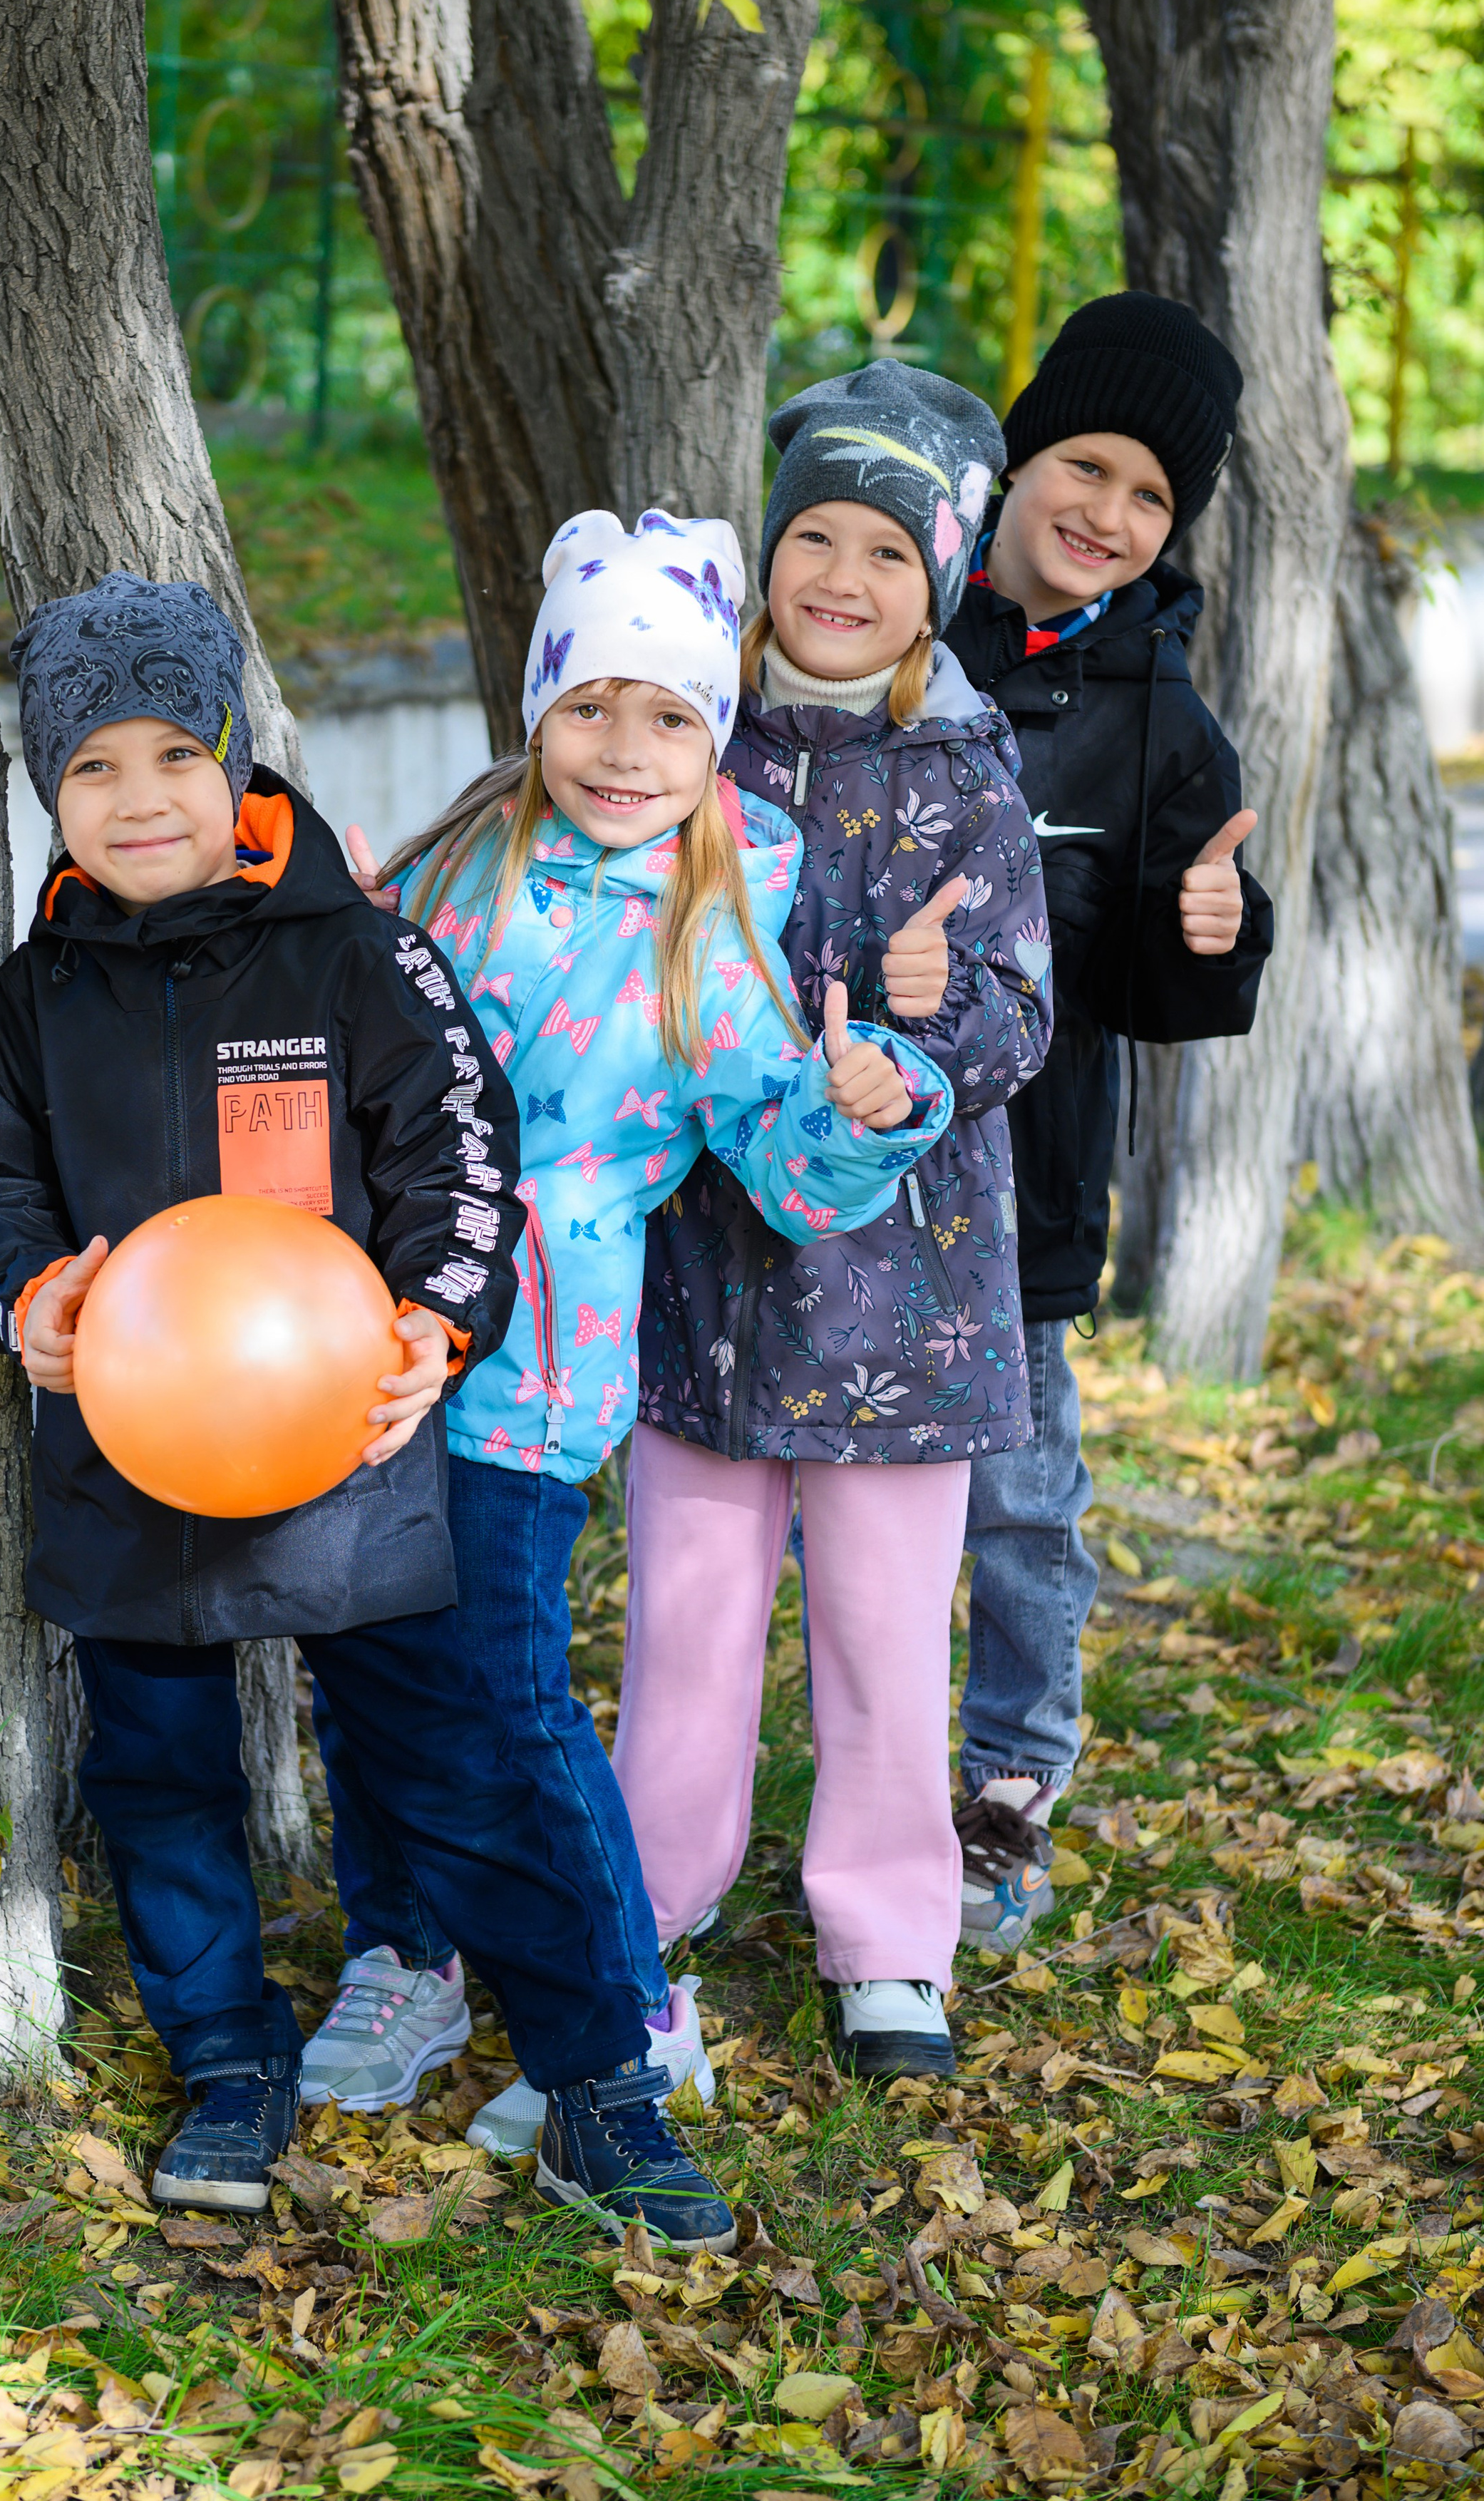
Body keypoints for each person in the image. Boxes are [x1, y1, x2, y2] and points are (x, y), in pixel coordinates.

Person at [0, 568, 745, 2251]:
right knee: (160, 1779)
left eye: (175, 753)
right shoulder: (38, 995)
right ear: (49, 792)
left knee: (460, 1769)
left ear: (236, 762)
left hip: (354, 1456)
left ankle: (601, 2080)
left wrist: (438, 1331)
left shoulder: (361, 951)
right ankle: (228, 2063)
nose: (140, 796)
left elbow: (465, 1170)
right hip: (124, 1457)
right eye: (93, 767)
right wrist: (26, 1294)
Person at [316, 509, 955, 2151]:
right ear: (536, 706)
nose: (624, 746)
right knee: (369, 1672)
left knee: (509, 1691)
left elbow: (789, 1176)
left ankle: (627, 2010)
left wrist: (865, 1106)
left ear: (713, 727)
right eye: (589, 703)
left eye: (669, 712)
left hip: (529, 1363)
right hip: (352, 1345)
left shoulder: (733, 897)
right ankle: (404, 1951)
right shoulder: (460, 853)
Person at [629, 362, 1051, 2080]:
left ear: (932, 587)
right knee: (687, 1620)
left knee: (884, 1634)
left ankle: (887, 1942)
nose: (841, 578)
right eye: (813, 533)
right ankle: (639, 1913)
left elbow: (1018, 1006)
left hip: (910, 1298)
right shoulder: (676, 746)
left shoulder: (961, 763)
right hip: (704, 1280)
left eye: (886, 551)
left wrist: (918, 1047)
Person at [943, 292, 1273, 1949]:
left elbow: (1159, 978)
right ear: (1015, 457)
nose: (1109, 515)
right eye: (1084, 463)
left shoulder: (1161, 715)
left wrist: (1212, 935)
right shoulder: (890, 642)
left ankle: (1005, 1788)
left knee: (1016, 1506)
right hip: (822, 1171)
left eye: (1150, 498)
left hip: (1026, 1194)